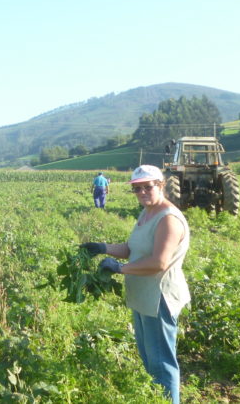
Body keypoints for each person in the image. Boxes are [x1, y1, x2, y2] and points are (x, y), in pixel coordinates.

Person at [80, 165, 190, 404]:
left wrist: (119, 269)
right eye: (136, 188)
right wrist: (102, 248)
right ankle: (156, 398)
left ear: (160, 185)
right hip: (142, 296)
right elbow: (132, 249)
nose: (142, 192)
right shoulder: (147, 213)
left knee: (161, 362)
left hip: (158, 297)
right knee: (150, 359)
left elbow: (159, 262)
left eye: (147, 186)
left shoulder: (168, 219)